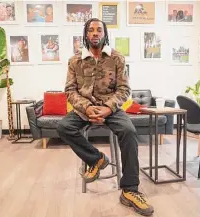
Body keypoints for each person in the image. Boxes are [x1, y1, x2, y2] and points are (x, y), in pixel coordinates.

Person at [57, 18, 154, 216]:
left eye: (98, 30)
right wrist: (87, 108)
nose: (95, 33)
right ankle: (97, 159)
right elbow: (69, 90)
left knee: (128, 131)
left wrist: (109, 108)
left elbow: (124, 89)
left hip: (111, 108)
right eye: (91, 30)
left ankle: (130, 190)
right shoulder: (75, 60)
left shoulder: (116, 58)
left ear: (104, 34)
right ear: (86, 35)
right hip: (84, 109)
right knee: (63, 127)